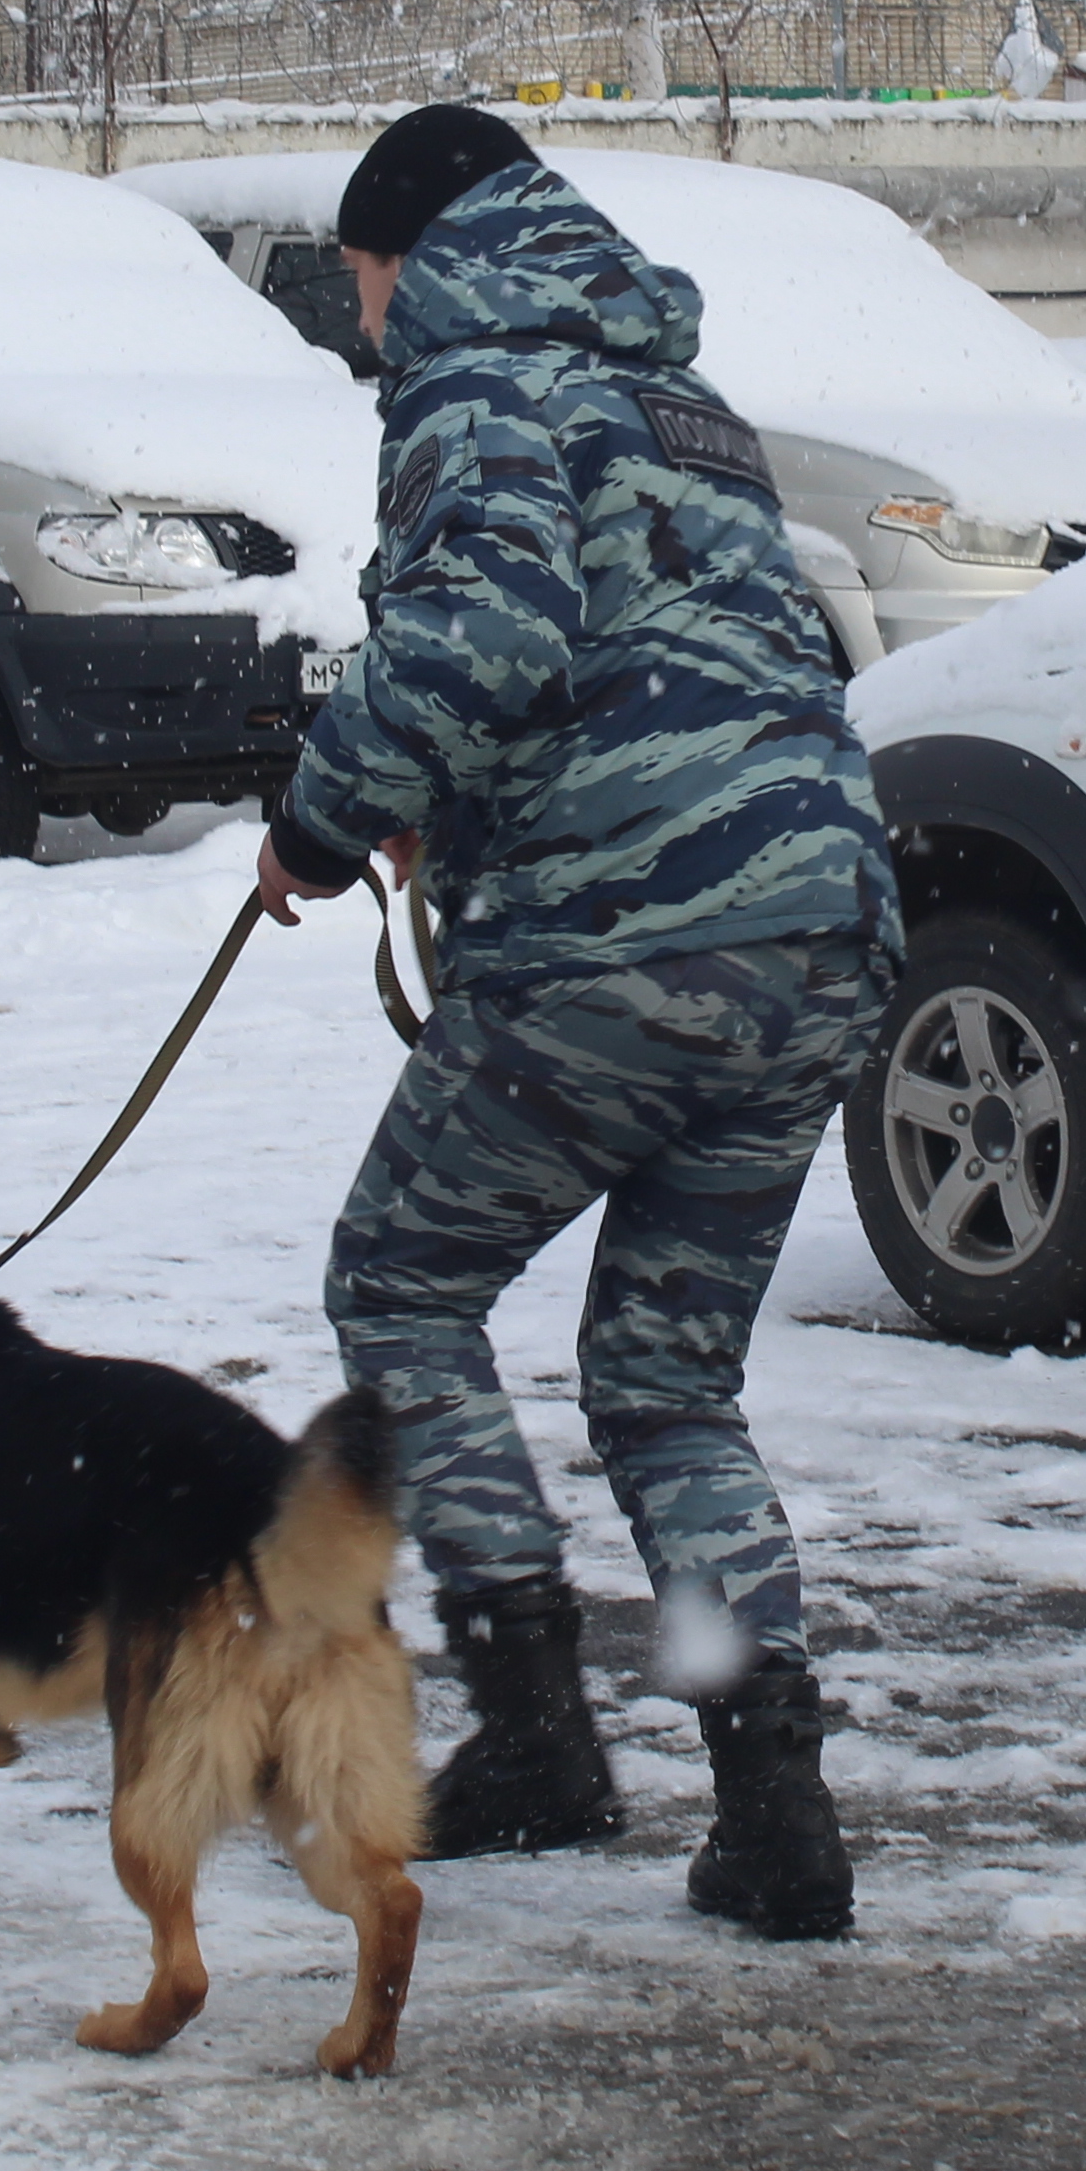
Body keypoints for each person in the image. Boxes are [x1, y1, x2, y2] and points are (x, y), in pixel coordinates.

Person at [254, 106, 904, 1940]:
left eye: (359, 287)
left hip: (626, 935)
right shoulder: (675, 397)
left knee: (399, 1279)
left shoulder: (472, 380)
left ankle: (534, 1721)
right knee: (667, 1381)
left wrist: (320, 813)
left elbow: (486, 636)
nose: (364, 327)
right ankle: (774, 1809)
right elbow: (666, 646)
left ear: (406, 257)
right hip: (819, 926)